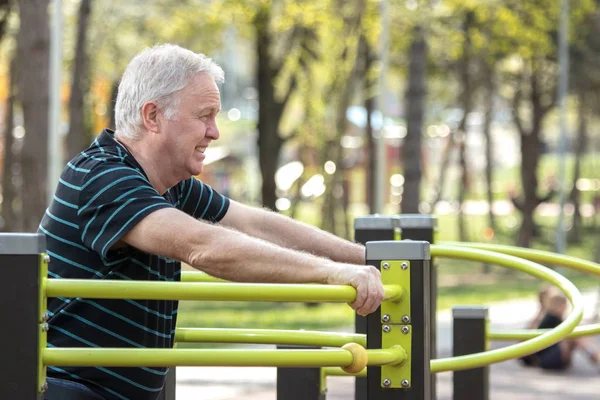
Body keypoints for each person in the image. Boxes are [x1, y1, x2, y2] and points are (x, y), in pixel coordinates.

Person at [39, 44, 385, 400]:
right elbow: (204, 247)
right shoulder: (103, 177)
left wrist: (365, 260)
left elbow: (256, 225)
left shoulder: (169, 185)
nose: (215, 132)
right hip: (67, 389)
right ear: (153, 116)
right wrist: (331, 273)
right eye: (204, 115)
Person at [520, 288, 600, 371]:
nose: (565, 308)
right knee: (575, 334)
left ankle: (596, 356)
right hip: (546, 359)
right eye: (564, 305)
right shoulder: (550, 317)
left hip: (551, 357)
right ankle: (596, 357)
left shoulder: (551, 318)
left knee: (576, 333)